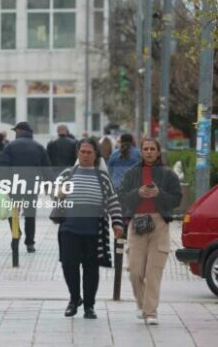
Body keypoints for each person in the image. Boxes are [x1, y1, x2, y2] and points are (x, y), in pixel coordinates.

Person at [55, 138, 124, 319]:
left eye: (89, 152)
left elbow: (113, 201)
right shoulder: (67, 174)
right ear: (78, 153)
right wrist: (58, 193)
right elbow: (54, 195)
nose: (85, 155)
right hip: (69, 229)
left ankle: (89, 306)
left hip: (94, 232)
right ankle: (74, 299)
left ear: (95, 155)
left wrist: (117, 223)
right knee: (69, 265)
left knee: (91, 269)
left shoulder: (103, 177)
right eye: (82, 152)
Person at [119, 138, 181, 325]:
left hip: (159, 223)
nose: (149, 152)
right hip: (137, 223)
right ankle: (142, 304)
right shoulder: (131, 173)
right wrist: (137, 193)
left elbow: (176, 199)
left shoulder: (168, 174)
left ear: (158, 152)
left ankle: (151, 312)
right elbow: (122, 197)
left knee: (153, 272)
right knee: (135, 271)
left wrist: (159, 194)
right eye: (145, 149)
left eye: (152, 149)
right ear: (141, 152)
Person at [1, 121, 51, 253]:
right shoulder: (39, 147)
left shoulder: (10, 146)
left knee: (13, 212)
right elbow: (46, 167)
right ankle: (30, 243)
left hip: (14, 185)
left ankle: (16, 235)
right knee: (30, 214)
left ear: (20, 131)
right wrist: (49, 184)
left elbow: (4, 168)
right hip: (32, 185)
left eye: (15, 131)